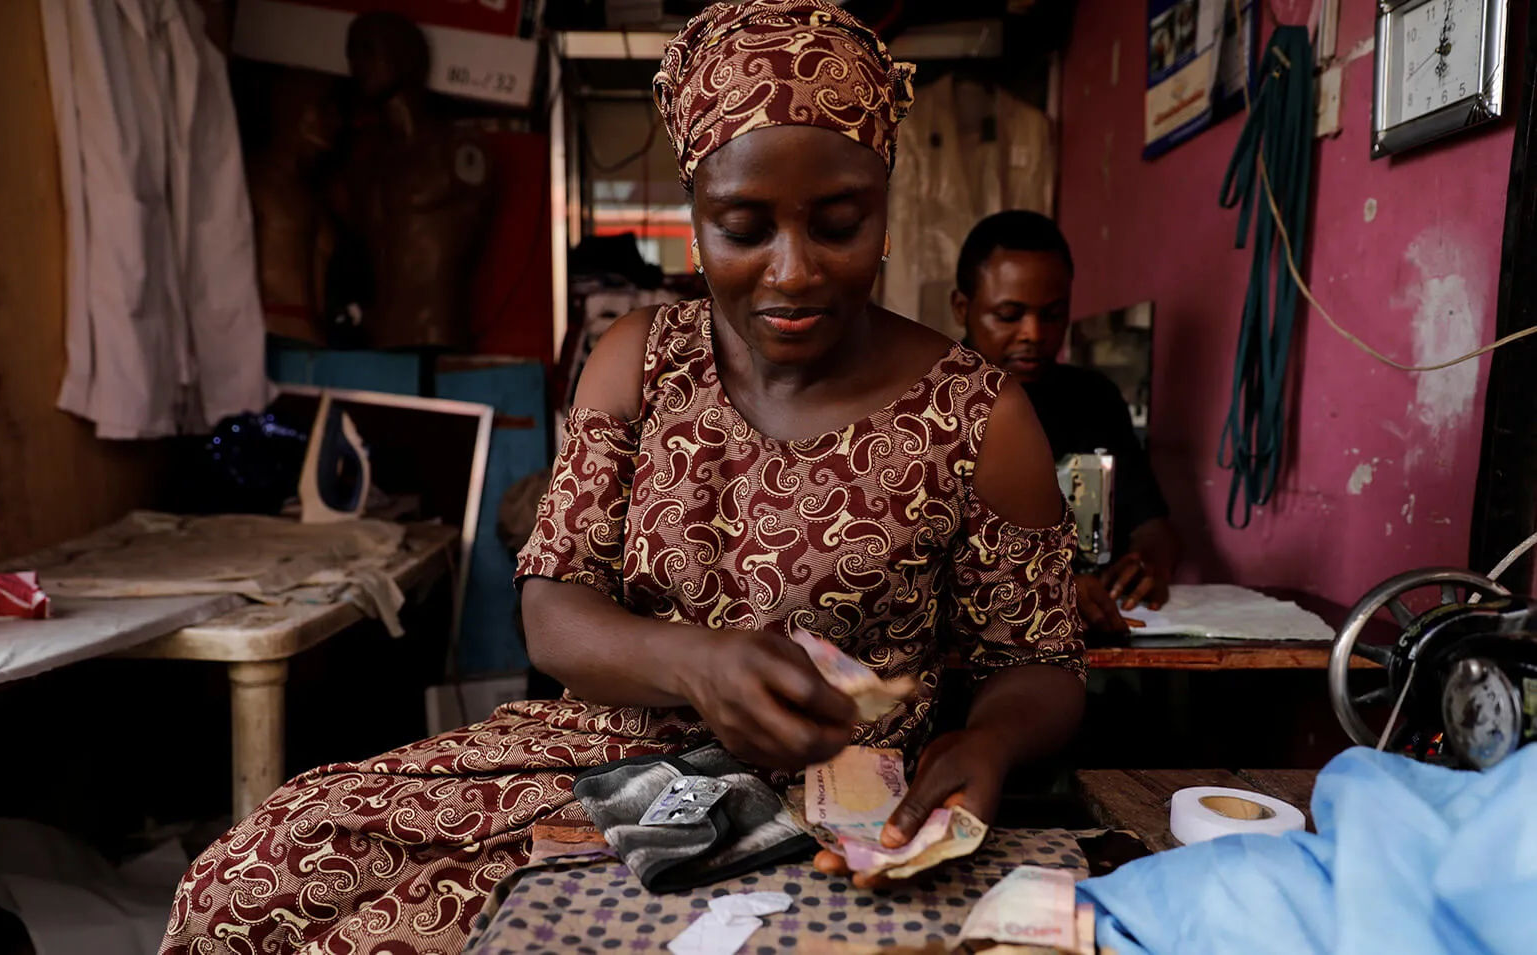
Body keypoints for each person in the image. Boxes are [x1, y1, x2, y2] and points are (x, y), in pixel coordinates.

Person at [162, 4, 1084, 952]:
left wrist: (986, 742)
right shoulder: (641, 359)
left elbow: (1041, 664)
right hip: (600, 762)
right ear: (694, 218)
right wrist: (693, 658)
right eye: (743, 226)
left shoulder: (979, 416)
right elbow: (553, 605)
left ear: (886, 207)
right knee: (251, 881)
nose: (794, 270)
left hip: (831, 800)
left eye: (840, 224)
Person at [953, 211, 1182, 633]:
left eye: (1054, 313)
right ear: (962, 308)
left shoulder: (1093, 398)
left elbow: (1152, 525)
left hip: (1093, 638)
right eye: (1009, 315)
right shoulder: (925, 404)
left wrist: (1147, 563)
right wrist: (1046, 587)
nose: (1034, 334)